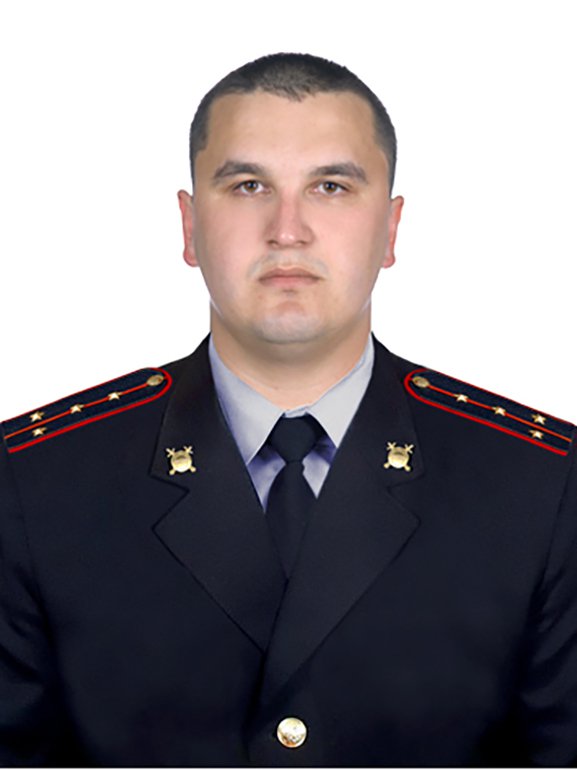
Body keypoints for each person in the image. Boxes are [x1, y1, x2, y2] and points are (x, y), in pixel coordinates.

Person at [0, 52, 576, 767]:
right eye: (248, 186)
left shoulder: (537, 486)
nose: (288, 229)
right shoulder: (36, 483)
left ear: (390, 229)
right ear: (189, 226)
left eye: (330, 187)